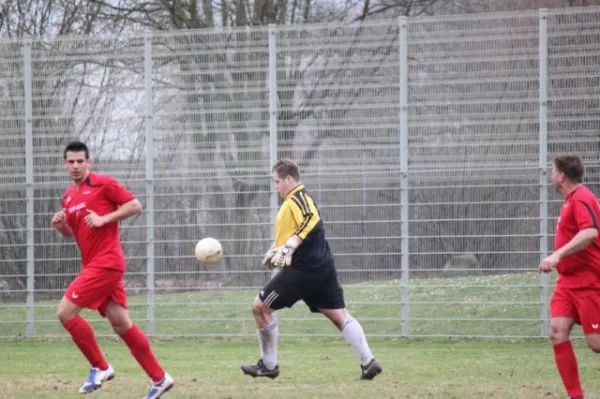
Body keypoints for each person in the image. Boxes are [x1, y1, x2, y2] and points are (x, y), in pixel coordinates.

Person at [51, 141, 174, 398]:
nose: (75, 166)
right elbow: (74, 233)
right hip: (97, 265)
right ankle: (160, 379)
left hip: (106, 263)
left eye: (80, 161)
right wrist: (61, 225)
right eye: (70, 162)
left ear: (89, 162)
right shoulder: (68, 196)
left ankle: (100, 367)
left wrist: (104, 218)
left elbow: (135, 205)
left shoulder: (103, 183)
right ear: (64, 165)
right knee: (121, 324)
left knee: (65, 313)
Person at [241, 158, 383, 380]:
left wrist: (291, 244)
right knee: (339, 315)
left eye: (277, 181)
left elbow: (311, 218)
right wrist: (276, 247)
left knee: (260, 307)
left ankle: (269, 365)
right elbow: (296, 230)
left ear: (289, 179)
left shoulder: (298, 198)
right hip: (321, 269)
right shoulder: (294, 200)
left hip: (302, 271)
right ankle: (369, 362)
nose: (275, 185)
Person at [538, 154, 600, 399]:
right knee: (556, 331)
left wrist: (556, 256)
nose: (551, 176)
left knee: (595, 344)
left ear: (562, 176)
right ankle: (576, 396)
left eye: (553, 171)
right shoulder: (569, 201)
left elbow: (590, 233)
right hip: (568, 283)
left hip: (589, 282)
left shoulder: (583, 197)